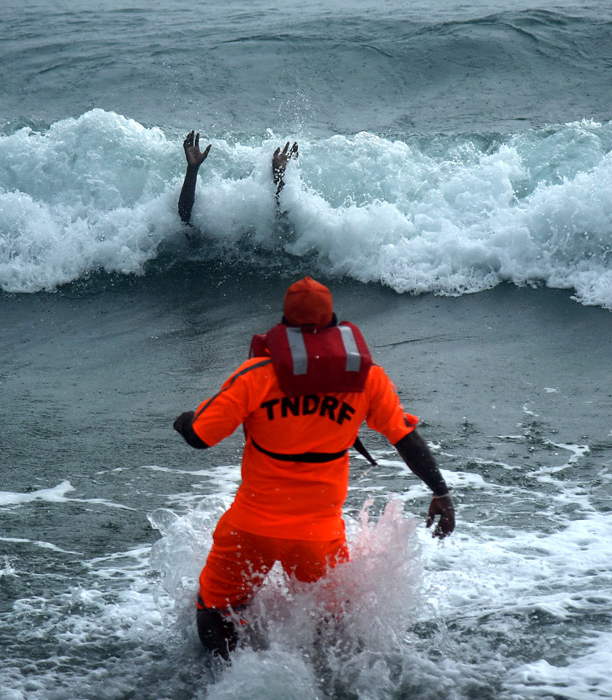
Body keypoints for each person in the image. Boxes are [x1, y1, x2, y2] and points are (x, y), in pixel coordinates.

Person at [173, 273, 456, 660]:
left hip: (250, 527)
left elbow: (199, 437)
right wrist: (441, 492)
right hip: (318, 537)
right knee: (332, 622)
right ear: (334, 323)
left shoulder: (254, 376)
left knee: (215, 610)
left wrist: (186, 419)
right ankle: (326, 680)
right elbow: (406, 439)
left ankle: (231, 682)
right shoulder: (367, 379)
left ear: (285, 325)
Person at [177, 130, 298, 226]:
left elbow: (281, 221)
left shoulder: (256, 228)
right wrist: (192, 169)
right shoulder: (213, 226)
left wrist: (278, 177)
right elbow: (185, 216)